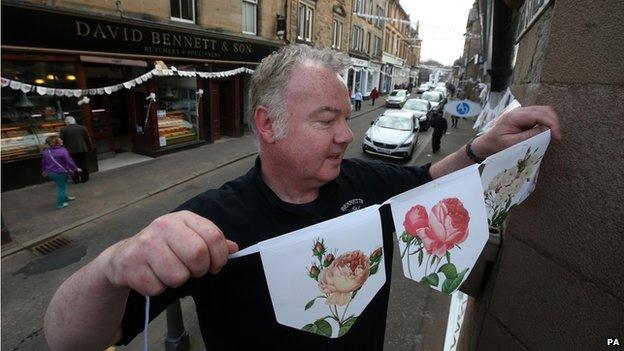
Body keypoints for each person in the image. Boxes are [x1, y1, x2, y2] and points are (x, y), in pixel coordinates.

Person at [44, 45, 560, 351]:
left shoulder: (363, 183)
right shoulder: (208, 220)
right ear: (268, 124)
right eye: (326, 120)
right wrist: (112, 266)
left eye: (344, 116)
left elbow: (429, 177)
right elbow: (69, 341)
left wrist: (481, 146)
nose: (345, 135)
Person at [41, 135, 81, 209]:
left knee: (63, 185)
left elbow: (44, 162)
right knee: (61, 188)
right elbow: (69, 161)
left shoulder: (46, 151)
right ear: (56, 142)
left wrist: (44, 170)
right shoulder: (62, 151)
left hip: (51, 173)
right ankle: (60, 204)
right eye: (60, 140)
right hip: (60, 172)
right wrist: (75, 168)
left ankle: (65, 197)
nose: (62, 140)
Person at [60, 116, 93, 183]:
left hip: (70, 151)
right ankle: (85, 178)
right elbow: (87, 139)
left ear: (67, 122)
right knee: (83, 164)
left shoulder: (63, 129)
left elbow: (61, 141)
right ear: (74, 121)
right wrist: (90, 148)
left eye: (65, 122)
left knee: (73, 165)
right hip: (82, 149)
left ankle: (76, 179)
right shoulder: (82, 128)